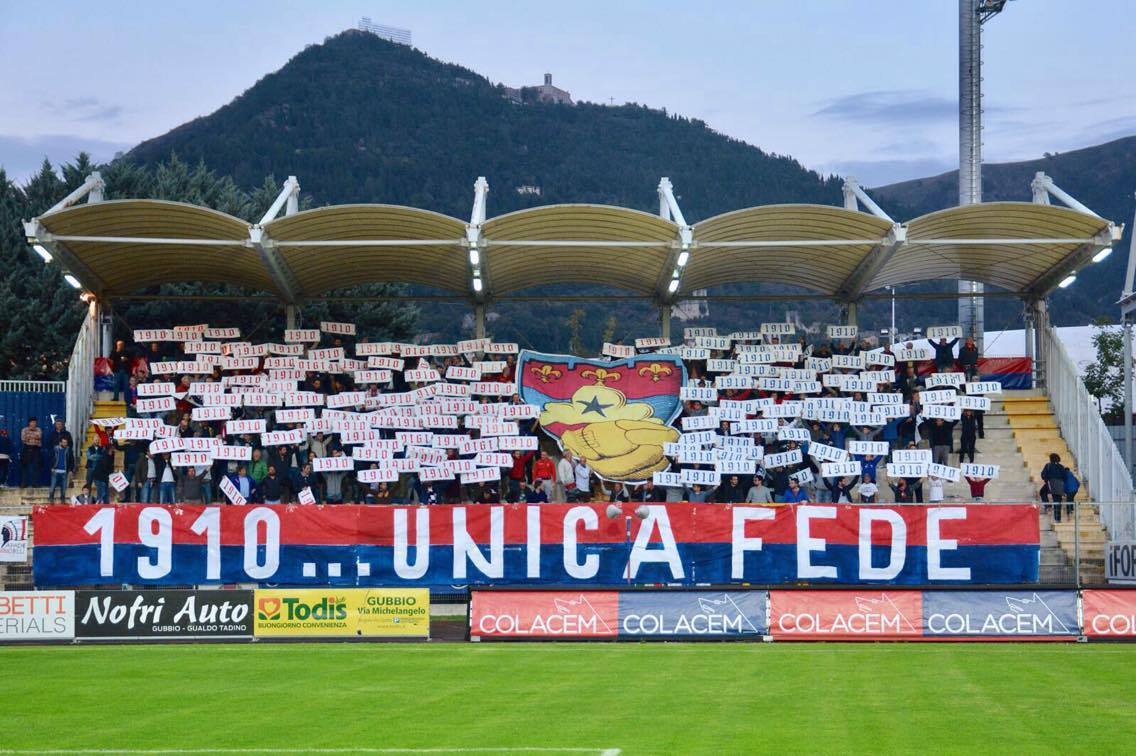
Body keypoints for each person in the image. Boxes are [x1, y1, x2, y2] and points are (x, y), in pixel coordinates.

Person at [1040, 452, 1069, 521]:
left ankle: (1048, 506)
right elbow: (1065, 477)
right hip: (1060, 485)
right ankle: (1058, 519)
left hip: (1051, 483)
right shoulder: (1061, 466)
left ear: (1051, 459)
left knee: (1042, 492)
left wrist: (1047, 479)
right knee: (1057, 501)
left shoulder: (1048, 465)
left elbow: (1043, 475)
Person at [47, 436, 75, 504]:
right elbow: (50, 458)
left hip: (64, 472)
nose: (65, 444)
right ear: (60, 443)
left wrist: (71, 470)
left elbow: (72, 461)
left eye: (66, 442)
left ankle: (62, 499)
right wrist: (51, 467)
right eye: (64, 442)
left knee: (64, 487)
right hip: (55, 471)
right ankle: (51, 498)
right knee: (52, 486)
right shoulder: (55, 449)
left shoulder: (69, 450)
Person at [19, 416, 42, 488]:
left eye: (35, 422)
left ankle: (35, 483)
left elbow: (39, 437)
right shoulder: (24, 429)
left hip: (36, 449)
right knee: (25, 466)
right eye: (32, 422)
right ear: (29, 423)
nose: (34, 424)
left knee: (36, 466)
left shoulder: (39, 429)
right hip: (27, 448)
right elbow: (23, 439)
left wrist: (29, 436)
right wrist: (34, 436)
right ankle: (24, 483)